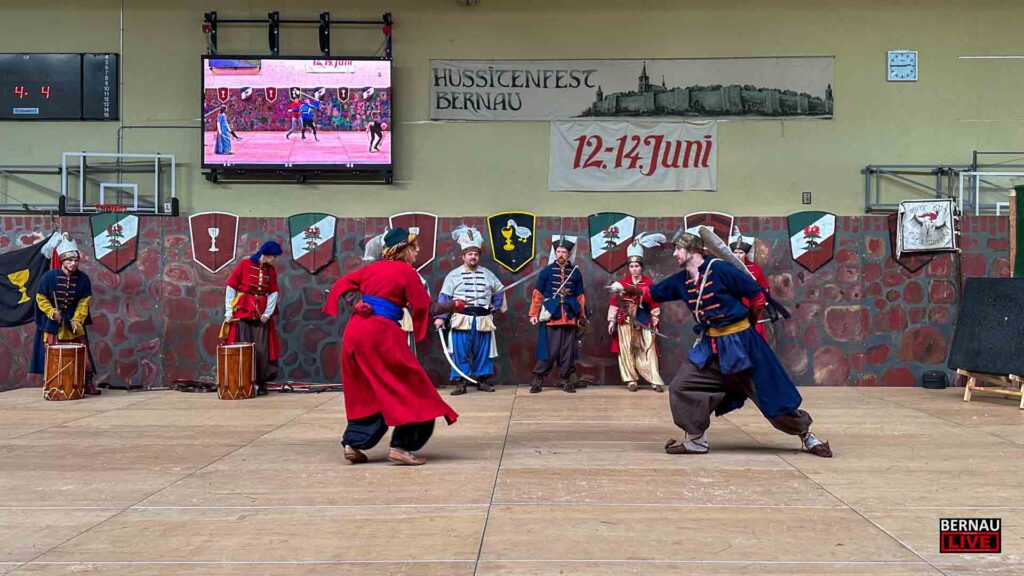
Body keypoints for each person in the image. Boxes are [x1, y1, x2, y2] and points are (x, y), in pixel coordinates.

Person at [613, 230, 832, 458]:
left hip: (743, 345)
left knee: (769, 396)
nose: (675, 253)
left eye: (679, 249)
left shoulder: (720, 269)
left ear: (692, 251)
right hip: (710, 346)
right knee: (682, 387)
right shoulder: (683, 280)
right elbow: (654, 292)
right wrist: (625, 289)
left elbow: (756, 294)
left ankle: (807, 436)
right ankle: (696, 440)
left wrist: (749, 323)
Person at [324, 228, 463, 466]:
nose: (418, 250)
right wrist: (454, 304)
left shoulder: (370, 269)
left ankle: (353, 442)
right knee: (413, 389)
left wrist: (356, 303)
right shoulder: (405, 272)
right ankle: (402, 446)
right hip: (381, 335)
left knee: (369, 390)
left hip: (355, 333)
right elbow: (425, 308)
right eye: (414, 246)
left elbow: (341, 285)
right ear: (402, 250)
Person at [434, 226, 506, 395]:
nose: (473, 257)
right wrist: (441, 318)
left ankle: (482, 380)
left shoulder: (488, 274)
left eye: (476, 254)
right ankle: (461, 382)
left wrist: (494, 306)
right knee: (460, 352)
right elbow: (444, 298)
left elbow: (500, 290)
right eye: (470, 254)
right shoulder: (453, 275)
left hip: (483, 320)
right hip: (461, 319)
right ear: (463, 256)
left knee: (483, 352)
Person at [30, 233, 101, 395]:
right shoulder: (48, 277)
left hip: (73, 319)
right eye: (69, 260)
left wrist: (78, 319)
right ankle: (51, 383)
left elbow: (84, 301)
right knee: (51, 354)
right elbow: (41, 298)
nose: (73, 263)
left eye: (75, 260)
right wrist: (51, 312)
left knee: (84, 353)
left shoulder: (83, 279)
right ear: (62, 261)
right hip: (52, 322)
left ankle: (87, 384)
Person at [607, 232, 666, 392]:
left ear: (641, 267)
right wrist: (612, 320)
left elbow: (654, 302)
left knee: (649, 349)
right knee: (626, 350)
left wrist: (655, 319)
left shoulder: (648, 282)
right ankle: (630, 380)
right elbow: (614, 302)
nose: (634, 269)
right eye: (631, 266)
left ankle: (654, 380)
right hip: (625, 321)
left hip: (643, 320)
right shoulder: (622, 283)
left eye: (637, 266)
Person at [223, 240, 282, 395]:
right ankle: (243, 382)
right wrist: (229, 312)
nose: (274, 259)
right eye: (273, 256)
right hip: (243, 311)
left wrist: (267, 313)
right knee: (243, 346)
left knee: (262, 349)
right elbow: (231, 287)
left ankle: (262, 383)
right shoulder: (244, 265)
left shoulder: (271, 270)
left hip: (261, 314)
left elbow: (273, 292)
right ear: (265, 254)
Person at [529, 237, 587, 394]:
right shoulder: (547, 271)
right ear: (555, 253)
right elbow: (538, 294)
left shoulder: (575, 272)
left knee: (568, 350)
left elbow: (580, 296)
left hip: (569, 315)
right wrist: (534, 313)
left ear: (569, 254)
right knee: (549, 350)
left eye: (564, 252)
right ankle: (538, 379)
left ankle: (567, 379)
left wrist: (581, 316)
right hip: (551, 315)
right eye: (558, 251)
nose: (561, 254)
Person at [730, 233, 771, 342]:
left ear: (746, 254)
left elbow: (764, 289)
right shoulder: (727, 267)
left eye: (741, 252)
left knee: (755, 343)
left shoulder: (754, 268)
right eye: (735, 252)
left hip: (752, 310)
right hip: (733, 311)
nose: (738, 255)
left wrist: (762, 303)